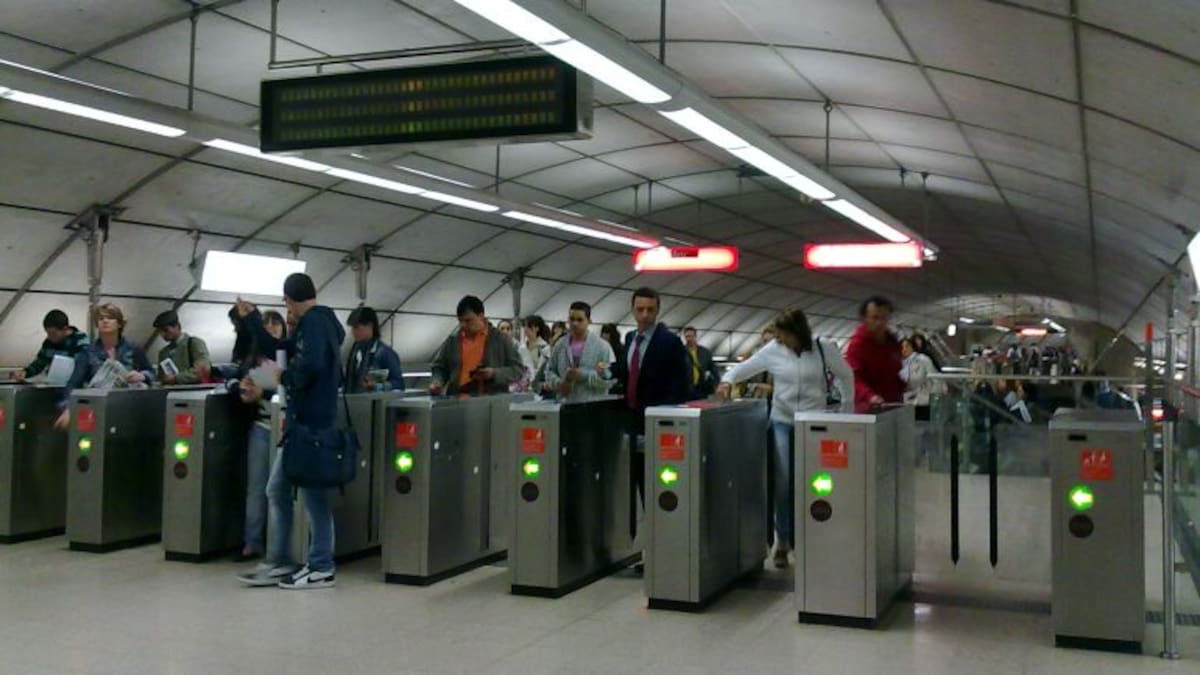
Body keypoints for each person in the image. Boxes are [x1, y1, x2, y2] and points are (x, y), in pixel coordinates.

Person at [716, 307, 853, 568]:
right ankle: (783, 541)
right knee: (783, 480)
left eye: (783, 336)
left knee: (815, 482)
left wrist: (847, 411)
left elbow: (846, 375)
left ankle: (813, 537)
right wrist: (727, 379)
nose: (779, 341)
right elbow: (747, 367)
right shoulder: (774, 350)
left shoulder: (823, 349)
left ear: (797, 333)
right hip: (782, 421)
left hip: (814, 423)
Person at [237, 273, 344, 590]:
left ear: (289, 298)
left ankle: (321, 565)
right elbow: (277, 346)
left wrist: (286, 376)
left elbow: (310, 366)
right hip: (304, 426)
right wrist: (253, 318)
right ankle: (279, 560)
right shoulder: (321, 324)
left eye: (285, 302)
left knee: (312, 497)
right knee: (279, 490)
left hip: (310, 425)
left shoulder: (313, 323)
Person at [611, 287, 691, 543]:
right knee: (636, 481)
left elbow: (682, 385)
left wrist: (666, 416)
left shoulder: (669, 342)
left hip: (658, 423)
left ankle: (663, 540)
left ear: (658, 311)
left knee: (659, 484)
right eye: (640, 310)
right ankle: (642, 538)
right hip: (632, 421)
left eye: (650, 310)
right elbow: (628, 372)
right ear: (633, 310)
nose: (644, 315)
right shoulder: (630, 338)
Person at [226, 307, 287, 562]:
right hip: (261, 426)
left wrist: (263, 393)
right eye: (267, 325)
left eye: (276, 324)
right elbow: (238, 384)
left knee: (279, 490)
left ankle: (279, 544)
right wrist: (241, 389)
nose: (271, 328)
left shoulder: (288, 356)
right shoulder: (252, 359)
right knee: (256, 486)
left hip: (284, 429)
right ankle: (252, 541)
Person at [53, 304, 154, 430]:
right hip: (98, 410)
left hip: (129, 411)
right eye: (101, 319)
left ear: (119, 324)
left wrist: (142, 375)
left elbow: (151, 373)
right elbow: (73, 383)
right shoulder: (88, 353)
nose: (105, 321)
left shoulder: (133, 349)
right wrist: (68, 408)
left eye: (110, 318)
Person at [428, 296, 525, 397]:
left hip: (491, 405)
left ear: (481, 316)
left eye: (468, 320)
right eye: (460, 321)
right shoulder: (453, 341)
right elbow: (439, 367)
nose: (463, 325)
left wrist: (494, 373)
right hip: (457, 404)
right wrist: (437, 382)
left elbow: (517, 370)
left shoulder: (500, 339)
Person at [535, 301, 615, 402]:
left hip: (592, 406)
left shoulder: (603, 347)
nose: (575, 323)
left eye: (580, 320)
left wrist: (584, 376)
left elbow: (608, 378)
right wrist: (559, 383)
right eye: (571, 319)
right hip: (565, 404)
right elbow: (549, 371)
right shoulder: (560, 345)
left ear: (589, 321)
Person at [845, 296, 903, 413]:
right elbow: (853, 377)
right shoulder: (858, 344)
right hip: (868, 408)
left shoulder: (892, 342)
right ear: (865, 318)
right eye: (875, 318)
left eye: (884, 318)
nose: (880, 322)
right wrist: (869, 396)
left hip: (893, 404)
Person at [11, 309, 90, 382]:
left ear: (65, 329)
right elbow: (40, 363)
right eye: (48, 333)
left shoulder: (80, 340)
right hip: (54, 385)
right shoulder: (49, 342)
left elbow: (83, 367)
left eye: (53, 333)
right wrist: (25, 372)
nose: (50, 337)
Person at [345, 306, 404, 393]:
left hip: (375, 404)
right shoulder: (353, 353)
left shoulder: (385, 354)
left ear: (370, 325)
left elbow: (399, 384)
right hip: (354, 404)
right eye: (352, 328)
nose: (353, 332)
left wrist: (377, 386)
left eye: (357, 327)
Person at [152, 310, 212, 385]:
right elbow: (161, 377)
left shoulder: (194, 343)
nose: (162, 334)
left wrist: (176, 378)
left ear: (177, 326)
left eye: (166, 330)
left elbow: (203, 370)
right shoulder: (163, 353)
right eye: (159, 332)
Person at [900, 337, 940, 421]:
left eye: (907, 346)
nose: (904, 349)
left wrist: (934, 397)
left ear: (912, 347)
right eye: (902, 347)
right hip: (907, 403)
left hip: (924, 401)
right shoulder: (900, 364)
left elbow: (935, 379)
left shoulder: (923, 360)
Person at [682, 326, 721, 399]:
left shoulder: (705, 352)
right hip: (686, 389)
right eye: (686, 337)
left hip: (701, 389)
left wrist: (717, 385)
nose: (689, 339)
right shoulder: (681, 352)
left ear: (695, 336)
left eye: (691, 336)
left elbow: (714, 370)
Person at [599, 323, 626, 393]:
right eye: (603, 333)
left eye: (606, 333)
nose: (603, 335)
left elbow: (618, 367)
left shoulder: (620, 350)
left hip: (617, 385)